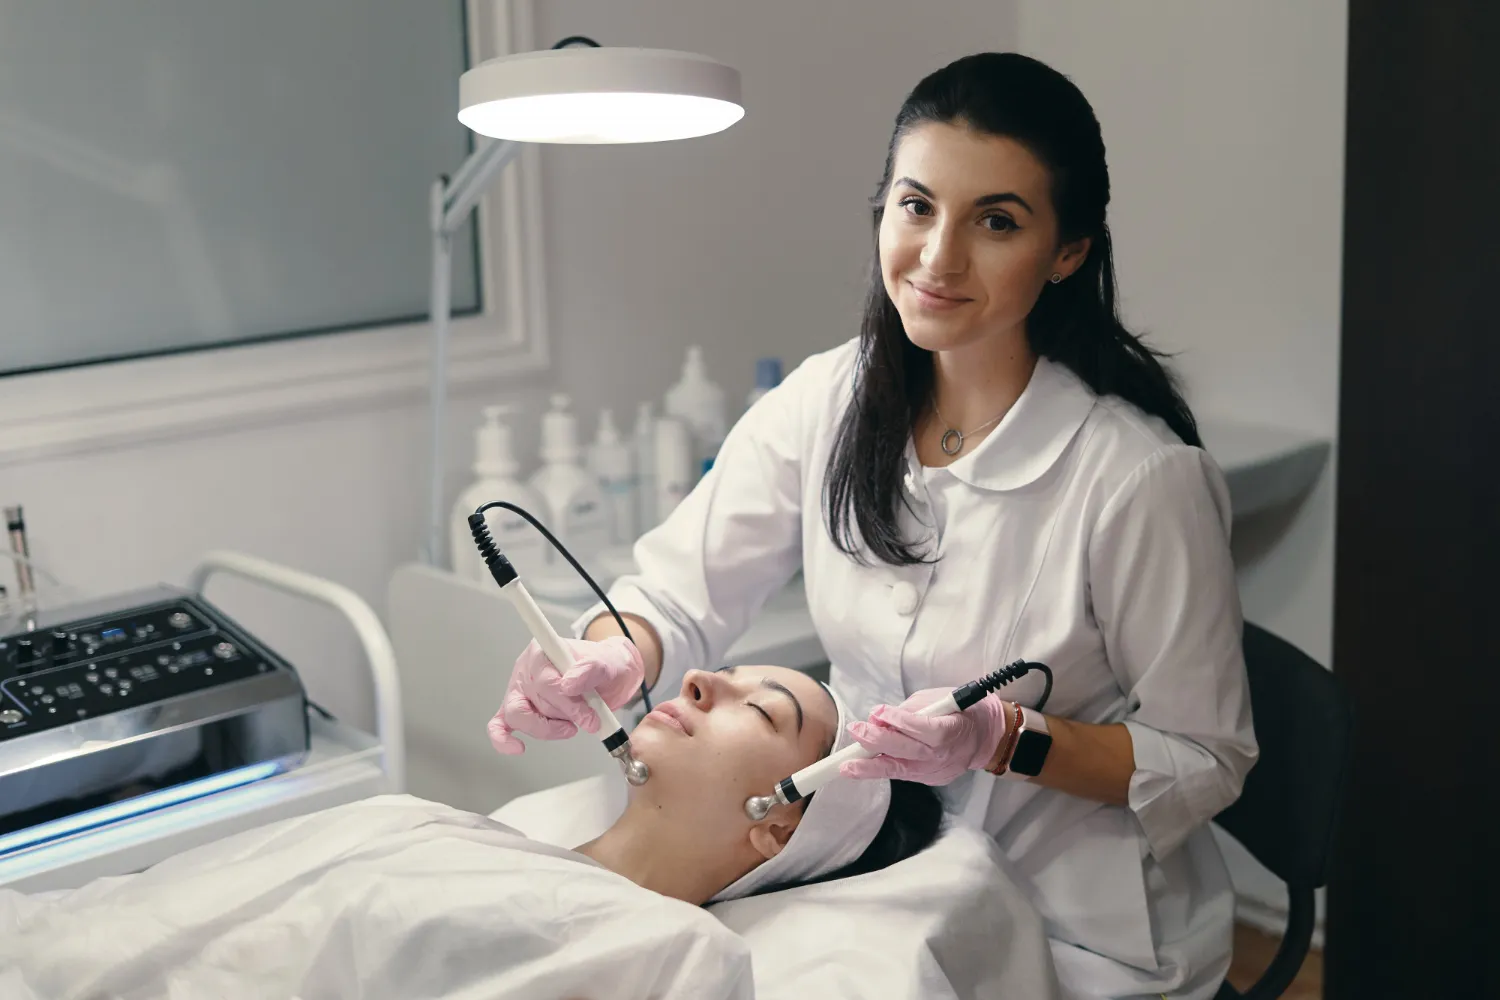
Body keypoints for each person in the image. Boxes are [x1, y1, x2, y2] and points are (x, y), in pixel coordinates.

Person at [489, 52, 1257, 1000]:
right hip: (873, 876)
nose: (938, 258)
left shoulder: (1137, 481)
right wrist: (611, 654)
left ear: (1069, 251)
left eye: (998, 221)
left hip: (1073, 934)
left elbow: (1207, 758)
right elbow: (677, 595)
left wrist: (999, 738)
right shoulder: (830, 400)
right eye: (916, 205)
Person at [1, 663, 942, 1000]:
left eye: (760, 710)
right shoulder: (432, 821)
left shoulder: (676, 957)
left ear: (775, 827)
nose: (699, 681)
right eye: (725, 671)